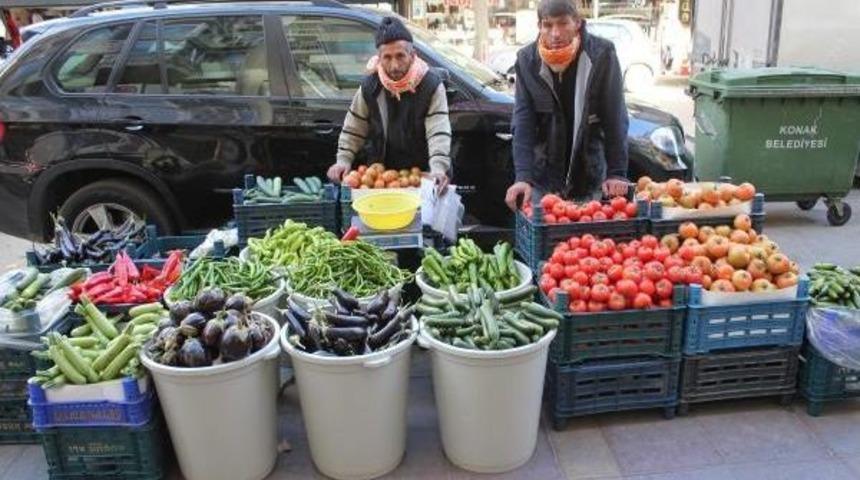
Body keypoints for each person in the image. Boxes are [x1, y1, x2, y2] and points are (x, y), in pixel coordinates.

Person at [505, 0, 629, 210]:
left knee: (586, 240)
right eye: (548, 25)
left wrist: (617, 173)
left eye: (563, 23)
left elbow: (615, 117)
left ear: (577, 23)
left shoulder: (602, 54)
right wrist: (522, 177)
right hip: (543, 178)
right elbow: (523, 122)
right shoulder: (527, 60)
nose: (555, 33)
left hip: (589, 175)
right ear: (540, 27)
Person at [327, 16, 451, 193]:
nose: (394, 66)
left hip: (422, 175)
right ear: (379, 58)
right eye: (387, 57)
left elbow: (438, 131)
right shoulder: (370, 86)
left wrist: (438, 168)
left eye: (400, 56)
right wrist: (343, 160)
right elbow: (354, 128)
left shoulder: (431, 85)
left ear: (412, 55)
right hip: (382, 176)